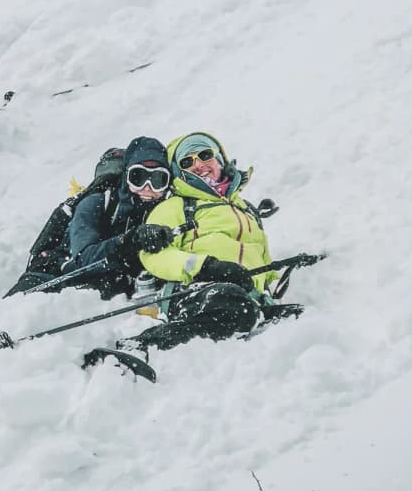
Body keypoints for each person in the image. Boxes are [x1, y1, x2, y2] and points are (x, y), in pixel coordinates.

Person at [129, 131, 279, 347]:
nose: (199, 165)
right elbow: (154, 256)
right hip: (197, 290)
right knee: (235, 307)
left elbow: (262, 258)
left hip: (250, 296)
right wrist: (204, 266)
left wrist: (268, 289)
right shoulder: (176, 206)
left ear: (219, 158)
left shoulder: (245, 209)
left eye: (205, 155)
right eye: (188, 161)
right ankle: (141, 347)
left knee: (295, 317)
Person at [56, 136, 175, 299]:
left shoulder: (172, 209)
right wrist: (129, 241)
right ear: (126, 177)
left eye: (158, 179)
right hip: (84, 288)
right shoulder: (97, 204)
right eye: (138, 177)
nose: (147, 187)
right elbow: (83, 261)